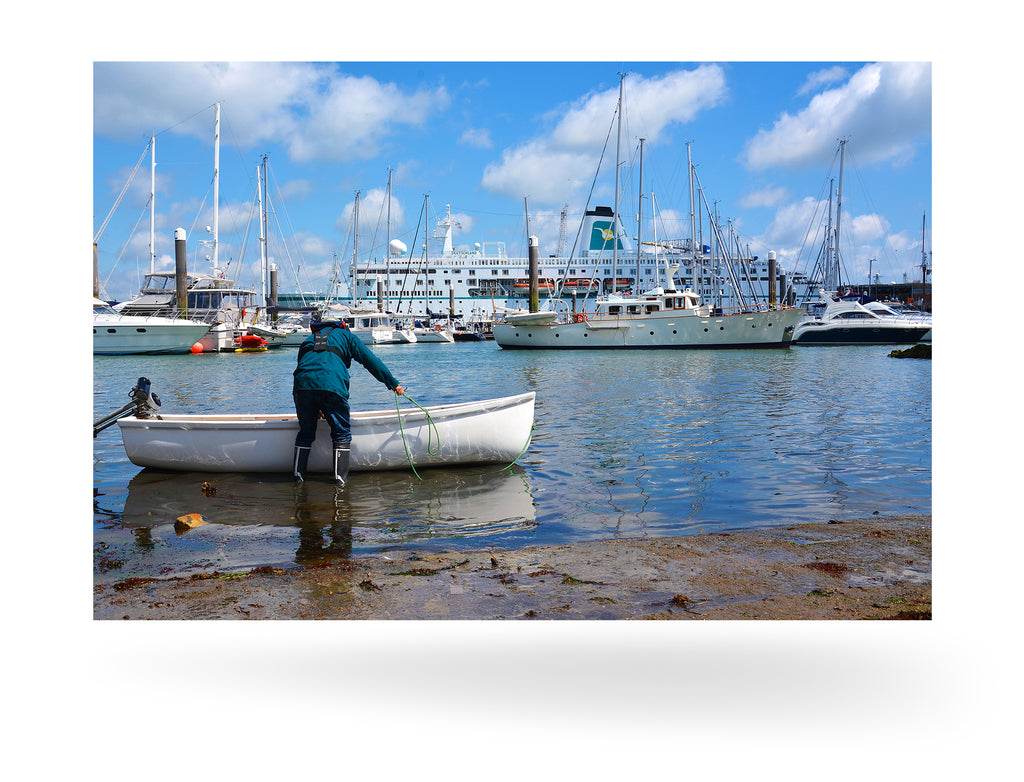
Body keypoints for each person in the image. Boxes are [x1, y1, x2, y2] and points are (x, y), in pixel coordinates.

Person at [292, 320, 404, 484]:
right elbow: (370, 361)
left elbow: (307, 367)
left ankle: (298, 478)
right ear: (343, 327)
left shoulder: (309, 340)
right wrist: (393, 383)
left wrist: (317, 407)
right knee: (341, 433)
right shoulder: (347, 336)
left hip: (302, 386)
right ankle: (339, 482)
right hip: (332, 385)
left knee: (306, 433)